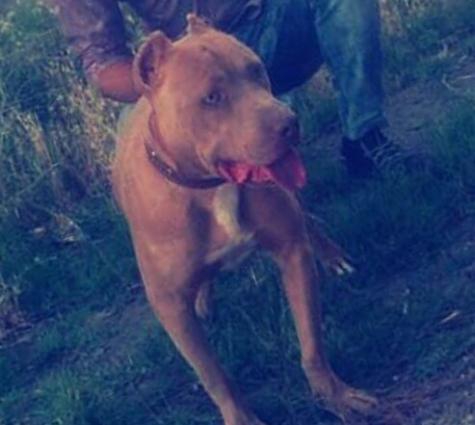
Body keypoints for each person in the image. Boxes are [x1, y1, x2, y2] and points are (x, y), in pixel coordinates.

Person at [49, 0, 405, 178]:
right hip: (198, 72)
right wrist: (168, 88)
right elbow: (105, 66)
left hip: (274, 25)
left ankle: (364, 137)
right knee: (137, 131)